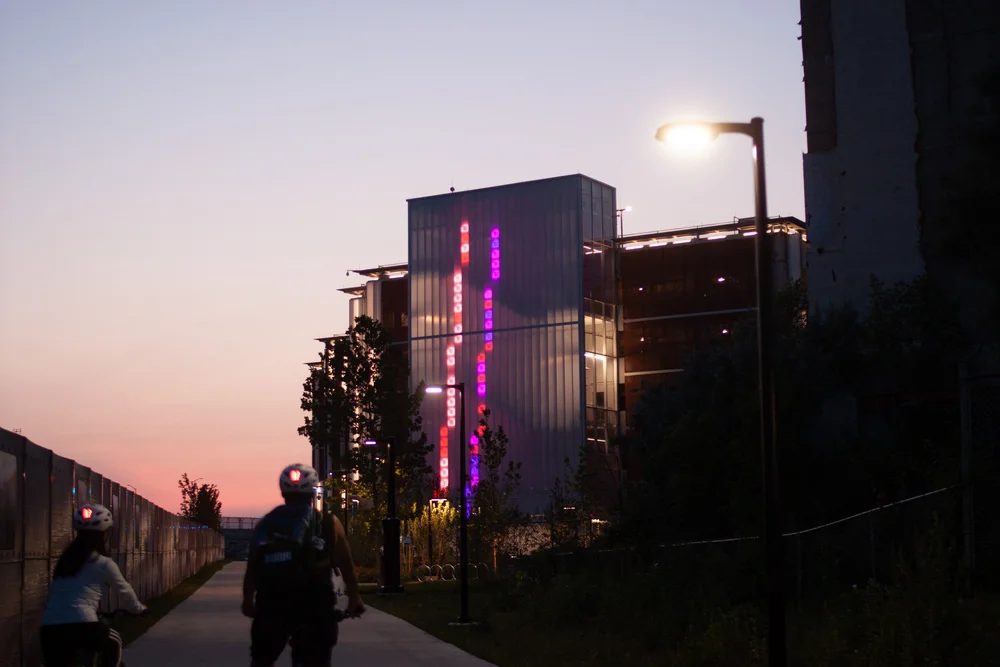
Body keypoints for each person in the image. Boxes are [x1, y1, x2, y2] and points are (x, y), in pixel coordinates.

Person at [242, 463, 365, 667]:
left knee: (262, 660)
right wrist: (354, 598)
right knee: (315, 660)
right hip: (315, 604)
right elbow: (345, 563)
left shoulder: (266, 523)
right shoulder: (328, 522)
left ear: (283, 491)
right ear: (312, 491)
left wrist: (248, 601)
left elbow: (253, 565)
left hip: (272, 603)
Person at [40, 503, 148, 667]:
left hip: (49, 629)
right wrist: (140, 609)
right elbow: (124, 590)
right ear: (104, 534)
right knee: (114, 642)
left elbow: (51, 597)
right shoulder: (102, 562)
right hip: (82, 625)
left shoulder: (66, 561)